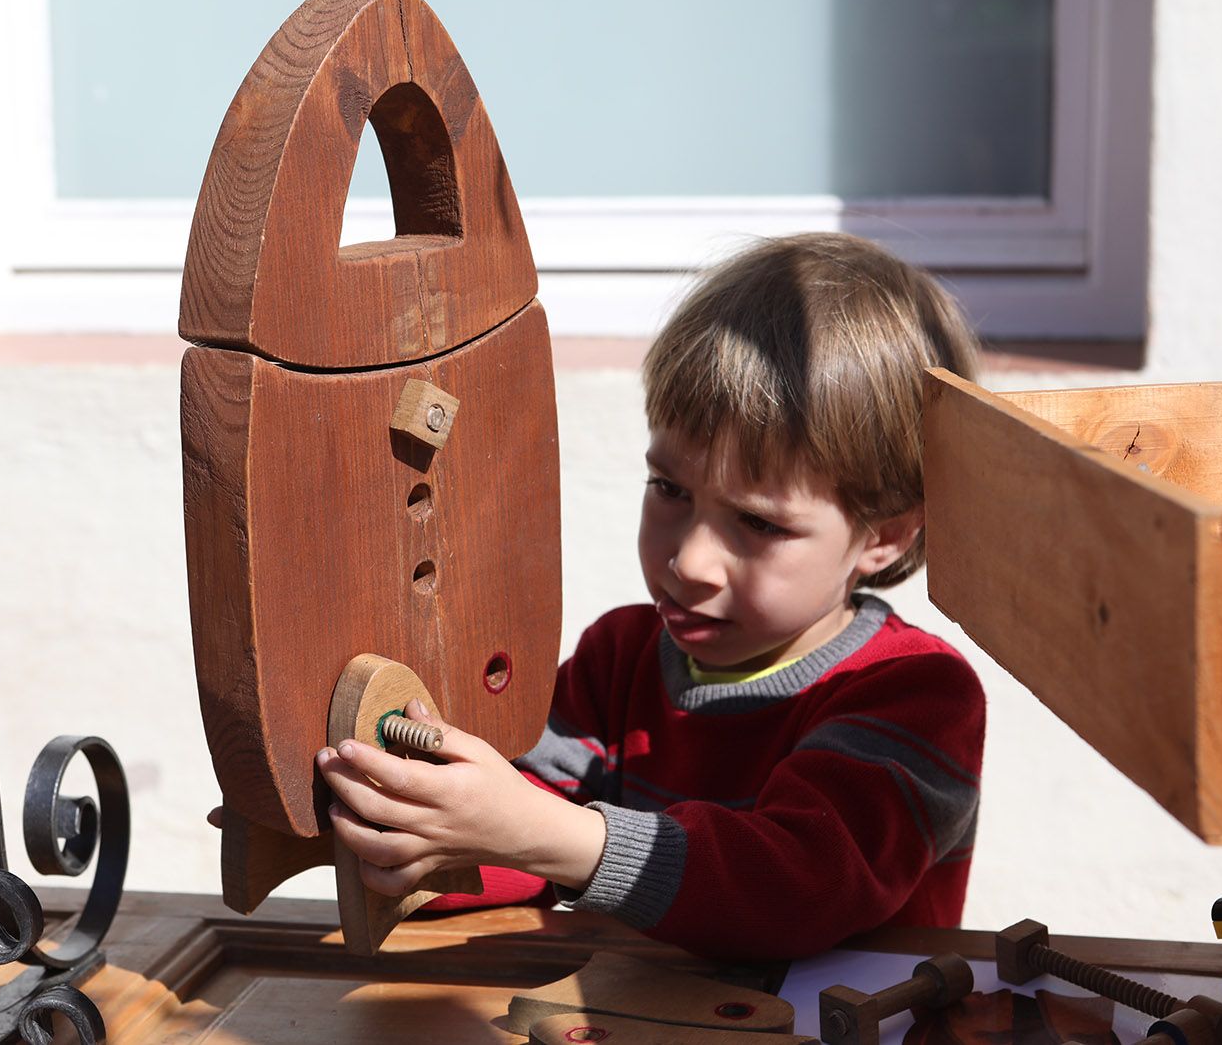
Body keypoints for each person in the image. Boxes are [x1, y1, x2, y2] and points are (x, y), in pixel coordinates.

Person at [318, 232, 985, 961]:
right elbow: (506, 847)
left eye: (758, 522)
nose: (691, 559)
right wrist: (385, 818)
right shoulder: (619, 659)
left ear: (883, 536)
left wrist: (540, 830)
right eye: (670, 489)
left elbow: (796, 886)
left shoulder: (915, 695)